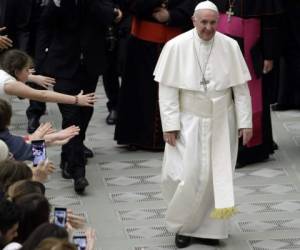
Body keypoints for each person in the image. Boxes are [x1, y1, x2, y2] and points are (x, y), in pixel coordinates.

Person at [154, 1, 253, 248]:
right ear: (194, 21)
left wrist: (245, 122)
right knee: (184, 176)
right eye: (203, 23)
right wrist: (169, 124)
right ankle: (183, 226)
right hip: (188, 121)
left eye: (212, 23)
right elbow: (167, 90)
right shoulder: (175, 46)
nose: (208, 28)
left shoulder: (229, 46)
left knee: (216, 177)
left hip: (222, 120)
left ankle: (210, 230)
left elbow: (240, 89)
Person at [36, 0, 122, 193]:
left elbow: (112, 16)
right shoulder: (56, 3)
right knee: (71, 116)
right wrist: (41, 65)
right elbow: (43, 29)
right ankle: (78, 171)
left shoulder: (95, 3)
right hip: (63, 66)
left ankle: (69, 153)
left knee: (84, 112)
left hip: (90, 65)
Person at [197, 0, 283, 167]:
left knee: (251, 96)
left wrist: (269, 54)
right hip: (219, 49)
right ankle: (222, 146)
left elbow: (270, 22)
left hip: (251, 50)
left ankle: (253, 149)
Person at [114, 0, 195, 151]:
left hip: (176, 42)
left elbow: (192, 6)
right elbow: (128, 5)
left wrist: (170, 15)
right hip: (142, 44)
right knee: (140, 92)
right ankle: (139, 137)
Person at [272, 0, 300, 111]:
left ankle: (289, 100)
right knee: (286, 55)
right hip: (285, 13)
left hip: (290, 13)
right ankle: (285, 99)